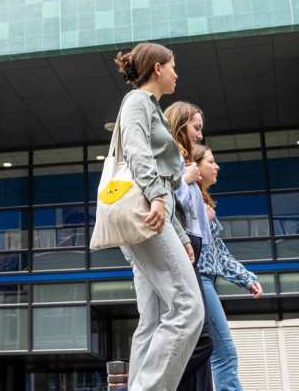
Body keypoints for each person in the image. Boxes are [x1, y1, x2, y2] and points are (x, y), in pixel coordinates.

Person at [113, 42, 205, 391]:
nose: (176, 74)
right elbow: (137, 153)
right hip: (148, 215)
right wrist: (155, 196)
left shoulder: (149, 107)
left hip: (153, 215)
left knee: (152, 320)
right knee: (188, 307)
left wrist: (180, 235)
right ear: (157, 69)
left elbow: (165, 184)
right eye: (173, 66)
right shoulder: (137, 102)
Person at [195, 143, 264, 391]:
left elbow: (219, 252)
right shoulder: (189, 197)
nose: (217, 167)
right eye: (210, 161)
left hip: (205, 280)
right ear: (196, 166)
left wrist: (246, 278)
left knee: (208, 354)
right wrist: (201, 218)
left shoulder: (203, 203)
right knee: (224, 353)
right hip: (199, 280)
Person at [164, 101, 214, 391]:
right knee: (202, 336)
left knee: (199, 339)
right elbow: (166, 201)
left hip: (192, 248)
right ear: (181, 124)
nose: (199, 134)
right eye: (196, 127)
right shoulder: (170, 157)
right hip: (181, 246)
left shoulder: (186, 161)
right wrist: (184, 181)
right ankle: (153, 383)